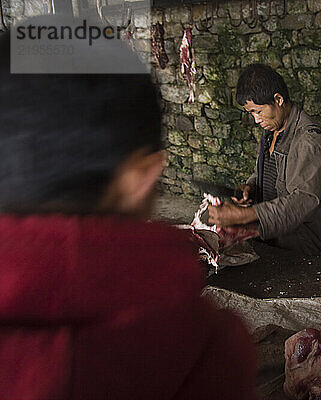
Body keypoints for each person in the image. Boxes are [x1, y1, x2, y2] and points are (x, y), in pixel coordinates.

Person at [0, 21, 256, 400]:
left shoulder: (303, 137)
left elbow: (303, 199)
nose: (256, 117)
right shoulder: (206, 351)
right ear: (141, 176)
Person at [208, 64, 321, 258]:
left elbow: (304, 199)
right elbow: (268, 172)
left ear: (278, 99)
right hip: (280, 241)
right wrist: (250, 187)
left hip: (314, 249)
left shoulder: (308, 138)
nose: (256, 120)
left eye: (258, 112)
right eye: (251, 113)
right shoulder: (271, 131)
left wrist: (245, 216)